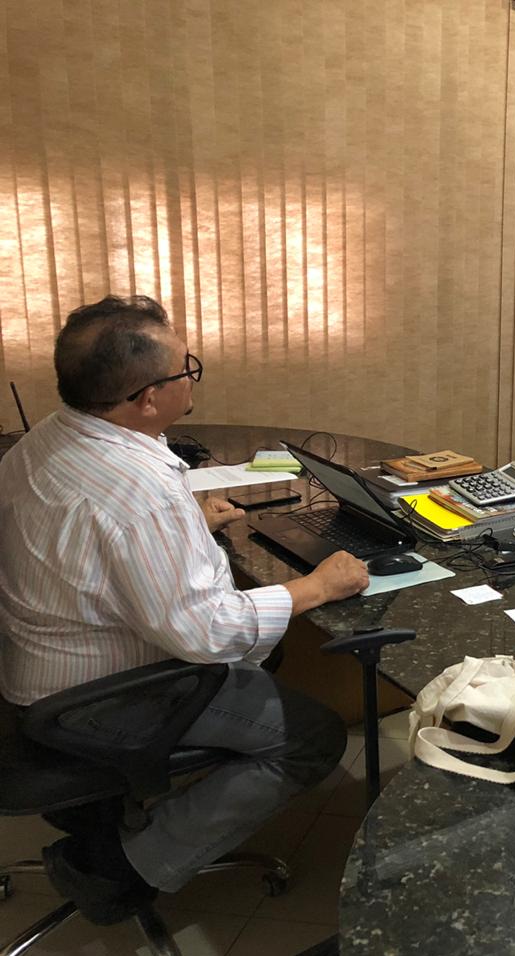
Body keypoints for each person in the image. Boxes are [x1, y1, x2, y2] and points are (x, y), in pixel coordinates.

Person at [0, 295, 368, 923]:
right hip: (99, 699)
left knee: (268, 656)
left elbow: (87, 540)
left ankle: (128, 815)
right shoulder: (139, 494)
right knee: (313, 737)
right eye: (186, 369)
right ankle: (120, 866)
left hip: (36, 669)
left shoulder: (43, 441)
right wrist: (318, 586)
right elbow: (207, 633)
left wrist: (182, 527)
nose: (192, 379)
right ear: (148, 398)